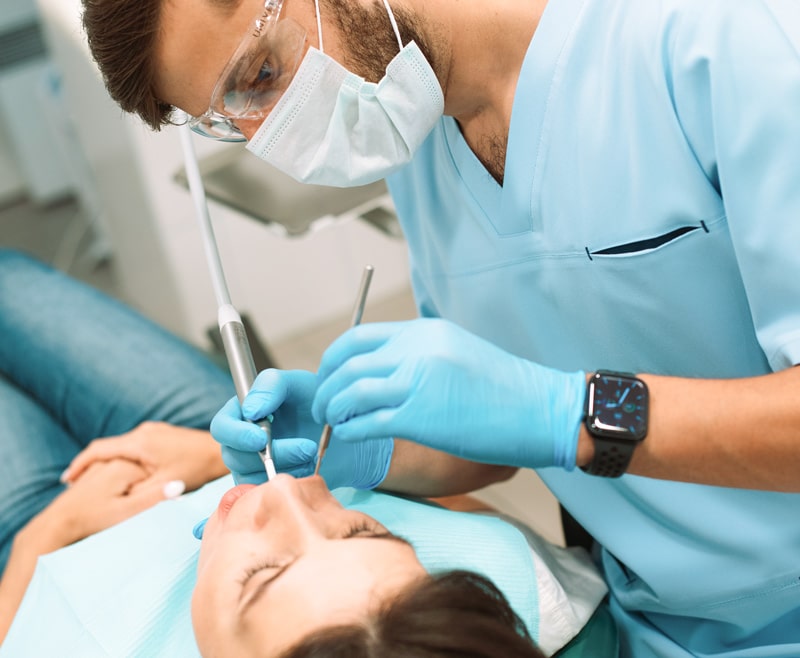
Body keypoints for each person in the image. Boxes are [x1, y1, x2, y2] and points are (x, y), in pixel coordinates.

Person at [80, 0, 800, 655]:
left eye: (262, 74)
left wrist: (568, 411)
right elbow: (502, 438)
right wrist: (364, 450)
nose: (270, 136)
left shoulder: (718, 38)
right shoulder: (415, 130)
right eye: (231, 119)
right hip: (656, 624)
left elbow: (544, 414)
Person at [0, 250, 610, 656]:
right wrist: (216, 458)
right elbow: (458, 506)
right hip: (225, 449)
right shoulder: (509, 614)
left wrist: (48, 533)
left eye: (262, 573)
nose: (292, 495)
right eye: (361, 531)